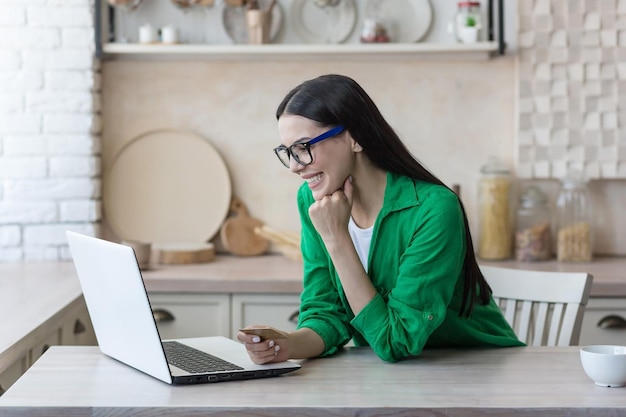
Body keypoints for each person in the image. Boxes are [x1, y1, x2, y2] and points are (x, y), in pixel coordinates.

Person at [237, 74, 523, 363]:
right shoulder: (312, 201)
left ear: (355, 139)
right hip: (398, 377)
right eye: (288, 152)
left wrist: (337, 239)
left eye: (303, 148)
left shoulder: (434, 209)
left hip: (481, 371)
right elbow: (326, 312)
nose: (295, 167)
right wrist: (287, 345)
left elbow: (396, 341)